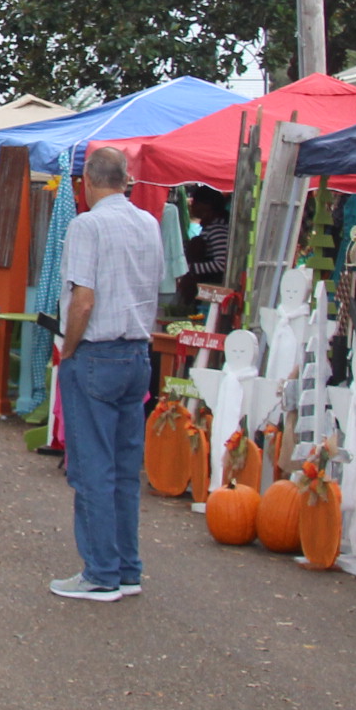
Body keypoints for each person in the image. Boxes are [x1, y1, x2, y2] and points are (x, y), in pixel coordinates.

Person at [50, 143, 164, 603]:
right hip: (138, 351)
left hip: (97, 350)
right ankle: (126, 567)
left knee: (91, 467)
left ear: (89, 181)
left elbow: (84, 298)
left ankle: (100, 571)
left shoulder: (88, 225)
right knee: (123, 467)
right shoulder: (149, 222)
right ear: (125, 180)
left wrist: (68, 348)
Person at [177, 186, 231, 312]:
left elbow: (221, 264)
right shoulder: (209, 227)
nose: (192, 204)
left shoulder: (217, 228)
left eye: (196, 202)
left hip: (212, 289)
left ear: (207, 206)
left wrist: (191, 268)